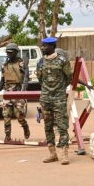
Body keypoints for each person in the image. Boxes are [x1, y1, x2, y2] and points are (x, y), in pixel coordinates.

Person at [36, 36, 71, 165]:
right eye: (43, 46)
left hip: (59, 98)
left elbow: (69, 77)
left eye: (45, 46)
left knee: (62, 126)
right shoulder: (41, 62)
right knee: (48, 126)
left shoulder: (62, 60)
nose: (43, 48)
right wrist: (48, 89)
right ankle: (52, 153)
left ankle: (63, 154)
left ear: (52, 47)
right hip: (45, 98)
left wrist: (59, 89)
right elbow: (40, 79)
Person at [0, 43, 31, 142]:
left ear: (16, 53)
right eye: (7, 52)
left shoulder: (22, 64)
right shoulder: (4, 65)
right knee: (6, 115)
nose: (9, 54)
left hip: (18, 91)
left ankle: (25, 127)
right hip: (7, 92)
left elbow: (26, 79)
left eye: (11, 53)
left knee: (19, 115)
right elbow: (2, 79)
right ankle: (7, 136)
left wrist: (23, 92)